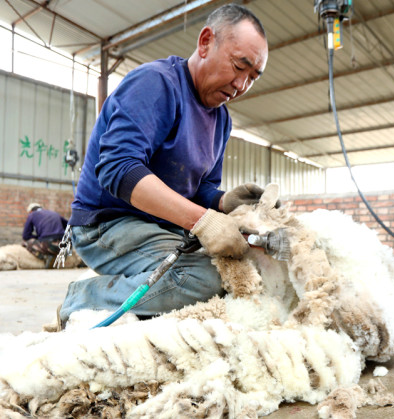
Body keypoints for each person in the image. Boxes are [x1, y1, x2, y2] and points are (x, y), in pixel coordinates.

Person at [58, 4, 270, 326]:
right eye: (239, 66)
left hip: (162, 225)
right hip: (108, 224)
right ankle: (84, 298)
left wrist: (223, 201)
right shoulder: (155, 84)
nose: (241, 85)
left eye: (252, 77)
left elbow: (199, 189)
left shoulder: (222, 120)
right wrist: (204, 221)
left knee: (240, 267)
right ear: (205, 41)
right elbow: (118, 167)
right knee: (207, 280)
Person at [22, 203, 68, 268]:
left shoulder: (32, 215)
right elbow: (69, 227)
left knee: (26, 242)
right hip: (63, 245)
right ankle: (60, 254)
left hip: (47, 244)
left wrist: (37, 238)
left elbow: (25, 236)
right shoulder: (54, 213)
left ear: (30, 211)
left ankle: (45, 257)